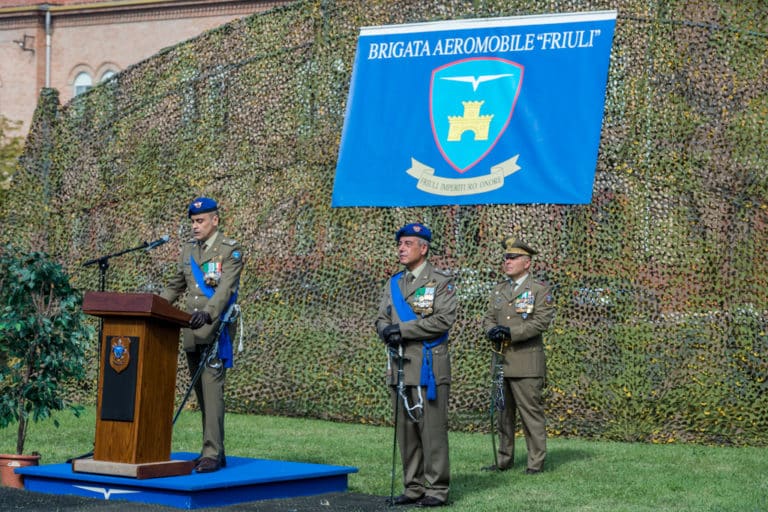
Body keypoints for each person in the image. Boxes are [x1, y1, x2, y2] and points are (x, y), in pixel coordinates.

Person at [375, 222, 457, 507]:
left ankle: (437, 489)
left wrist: (403, 331)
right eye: (400, 243)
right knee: (406, 432)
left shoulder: (441, 281)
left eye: (408, 243)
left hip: (428, 366)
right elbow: (382, 316)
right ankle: (413, 487)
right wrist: (385, 329)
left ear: (423, 248)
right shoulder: (394, 282)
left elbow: (443, 320)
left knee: (431, 430)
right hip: (400, 365)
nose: (401, 248)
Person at [160, 197, 244, 473]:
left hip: (215, 331)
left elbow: (225, 290)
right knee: (202, 394)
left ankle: (211, 452)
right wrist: (152, 308)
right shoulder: (188, 252)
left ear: (215, 220)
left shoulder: (230, 251)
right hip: (191, 333)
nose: (195, 227)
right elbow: (174, 287)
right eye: (192, 222)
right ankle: (215, 451)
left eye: (200, 221)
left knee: (213, 392)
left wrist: (208, 312)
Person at [482, 237, 555, 474]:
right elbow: (488, 317)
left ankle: (535, 463)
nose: (507, 261)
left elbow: (541, 322)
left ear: (527, 262)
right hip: (501, 361)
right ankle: (504, 459)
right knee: (503, 414)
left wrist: (511, 332)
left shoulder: (538, 290)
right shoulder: (499, 290)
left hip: (526, 362)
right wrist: (490, 330)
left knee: (530, 415)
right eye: (506, 257)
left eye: (513, 258)